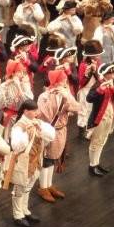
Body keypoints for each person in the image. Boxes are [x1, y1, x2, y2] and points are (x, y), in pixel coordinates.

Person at [7, 100, 56, 227]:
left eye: (36, 110)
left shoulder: (38, 122)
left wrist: (39, 128)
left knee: (28, 187)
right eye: (34, 111)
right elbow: (17, 146)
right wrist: (27, 132)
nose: (37, 113)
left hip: (36, 159)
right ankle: (17, 215)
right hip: (24, 161)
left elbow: (51, 136)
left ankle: (24, 210)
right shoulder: (19, 125)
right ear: (25, 111)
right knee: (20, 188)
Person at [37, 69, 80, 201]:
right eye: (62, 80)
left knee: (53, 159)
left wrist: (67, 96)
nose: (65, 82)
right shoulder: (44, 96)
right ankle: (42, 187)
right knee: (46, 159)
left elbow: (77, 108)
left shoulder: (65, 94)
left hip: (61, 130)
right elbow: (46, 115)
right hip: (49, 131)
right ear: (55, 82)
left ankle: (49, 185)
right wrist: (56, 99)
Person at [86, 63, 114, 177]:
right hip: (100, 118)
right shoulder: (98, 84)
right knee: (96, 142)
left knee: (102, 141)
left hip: (110, 117)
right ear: (105, 74)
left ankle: (96, 163)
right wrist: (99, 90)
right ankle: (92, 165)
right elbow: (89, 98)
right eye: (110, 73)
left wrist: (113, 88)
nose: (113, 75)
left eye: (113, 72)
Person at [0, 60, 33, 133]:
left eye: (22, 72)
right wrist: (4, 87)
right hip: (7, 117)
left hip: (21, 118)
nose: (22, 74)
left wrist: (19, 87)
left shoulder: (24, 85)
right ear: (13, 73)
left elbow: (29, 102)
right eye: (19, 72)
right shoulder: (4, 86)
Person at [76, 40, 104, 139]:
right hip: (85, 89)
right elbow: (81, 82)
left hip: (94, 90)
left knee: (92, 110)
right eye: (95, 55)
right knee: (83, 110)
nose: (97, 57)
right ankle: (81, 129)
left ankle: (90, 130)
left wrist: (95, 70)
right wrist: (88, 73)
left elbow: (100, 78)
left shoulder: (99, 62)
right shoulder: (83, 65)